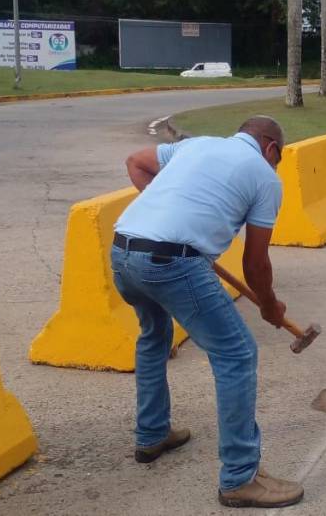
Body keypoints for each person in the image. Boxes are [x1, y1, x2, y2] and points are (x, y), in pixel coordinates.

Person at [111, 116, 304, 509]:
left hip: (124, 250)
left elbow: (136, 161)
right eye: (278, 158)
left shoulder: (195, 144)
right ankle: (239, 477)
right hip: (172, 262)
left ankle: (152, 435)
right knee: (236, 355)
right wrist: (269, 304)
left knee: (154, 338)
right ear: (270, 147)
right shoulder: (264, 176)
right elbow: (255, 263)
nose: (275, 166)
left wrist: (164, 220)